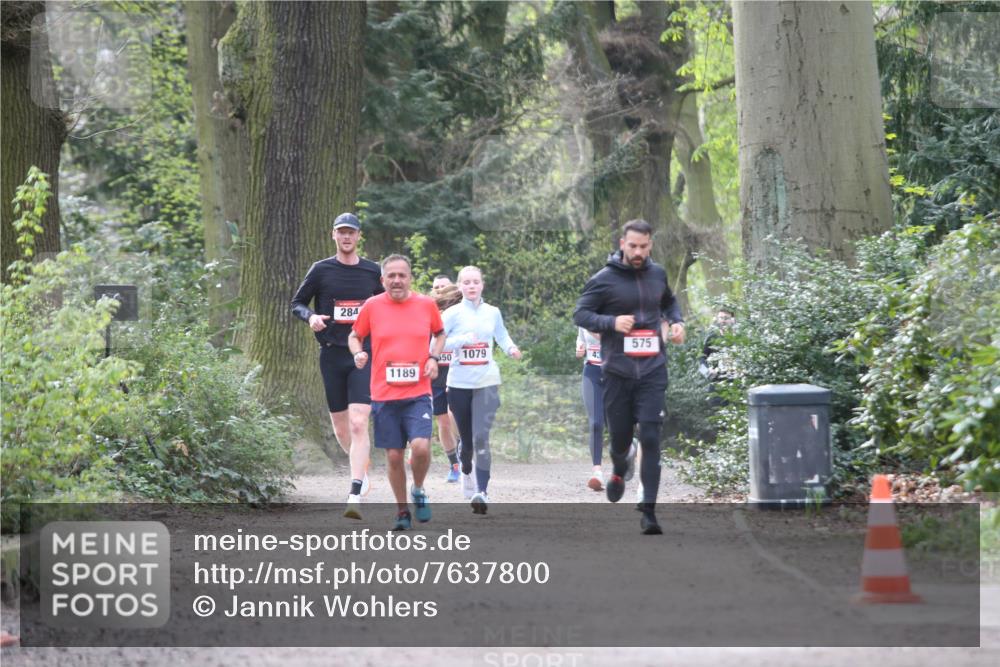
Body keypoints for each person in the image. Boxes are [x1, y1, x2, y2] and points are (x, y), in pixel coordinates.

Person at [573, 219, 685, 535]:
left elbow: (669, 302)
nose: (638, 252)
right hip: (617, 372)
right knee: (620, 441)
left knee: (651, 436)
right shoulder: (604, 279)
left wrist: (677, 322)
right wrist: (611, 322)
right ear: (623, 244)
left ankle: (648, 511)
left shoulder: (657, 274)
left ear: (650, 245)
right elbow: (580, 314)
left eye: (643, 247)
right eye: (632, 246)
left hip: (652, 370)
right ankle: (620, 466)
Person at [291, 212, 383, 519]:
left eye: (351, 232)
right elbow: (297, 303)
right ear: (333, 235)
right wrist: (311, 317)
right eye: (341, 232)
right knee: (342, 428)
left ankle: (355, 490)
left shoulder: (372, 271)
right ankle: (361, 468)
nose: (346, 237)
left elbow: (387, 306)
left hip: (362, 355)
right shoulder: (321, 270)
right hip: (331, 354)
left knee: (358, 422)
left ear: (358, 236)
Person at [348, 255, 446, 531]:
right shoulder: (372, 306)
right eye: (391, 276)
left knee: (421, 447)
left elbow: (440, 334)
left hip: (418, 393)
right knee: (393, 456)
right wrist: (358, 353)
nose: (397, 280)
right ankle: (402, 511)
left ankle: (418, 489)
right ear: (382, 280)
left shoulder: (426, 305)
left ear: (410, 278)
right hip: (384, 394)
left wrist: (433, 358)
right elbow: (354, 335)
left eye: (402, 275)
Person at [443, 266, 522, 515]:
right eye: (466, 282)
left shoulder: (492, 312)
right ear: (460, 286)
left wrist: (511, 349)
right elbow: (437, 344)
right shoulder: (451, 314)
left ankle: (482, 491)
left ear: (482, 285)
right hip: (459, 384)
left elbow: (502, 336)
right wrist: (462, 340)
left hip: (487, 381)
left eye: (475, 282)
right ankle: (464, 462)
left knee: (481, 438)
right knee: (468, 442)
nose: (471, 286)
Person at [430, 280, 463, 482]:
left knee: (454, 414)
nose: (440, 290)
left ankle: (462, 446)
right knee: (442, 422)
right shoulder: (428, 313)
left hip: (457, 373)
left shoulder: (462, 315)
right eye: (437, 288)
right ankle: (454, 464)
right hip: (436, 375)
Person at [576, 327, 606, 491]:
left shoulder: (616, 314)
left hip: (615, 374)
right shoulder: (585, 317)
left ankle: (630, 449)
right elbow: (581, 339)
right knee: (595, 423)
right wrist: (579, 348)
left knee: (619, 424)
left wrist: (590, 324)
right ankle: (597, 472)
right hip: (591, 372)